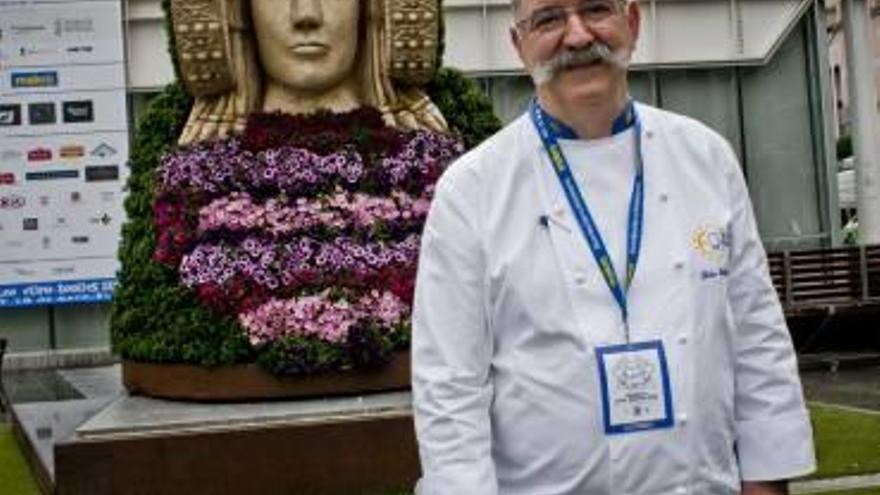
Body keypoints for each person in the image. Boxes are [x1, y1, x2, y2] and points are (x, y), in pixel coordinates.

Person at [411, 0, 816, 493]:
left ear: (633, 21)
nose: (578, 37)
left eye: (596, 10)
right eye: (549, 19)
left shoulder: (705, 157)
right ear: (519, 46)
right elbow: (449, 381)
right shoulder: (472, 189)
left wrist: (768, 478)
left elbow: (756, 334)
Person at [171, 0, 446, 144]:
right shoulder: (202, 172)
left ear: (372, 8)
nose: (306, 15)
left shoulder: (425, 159)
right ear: (239, 12)